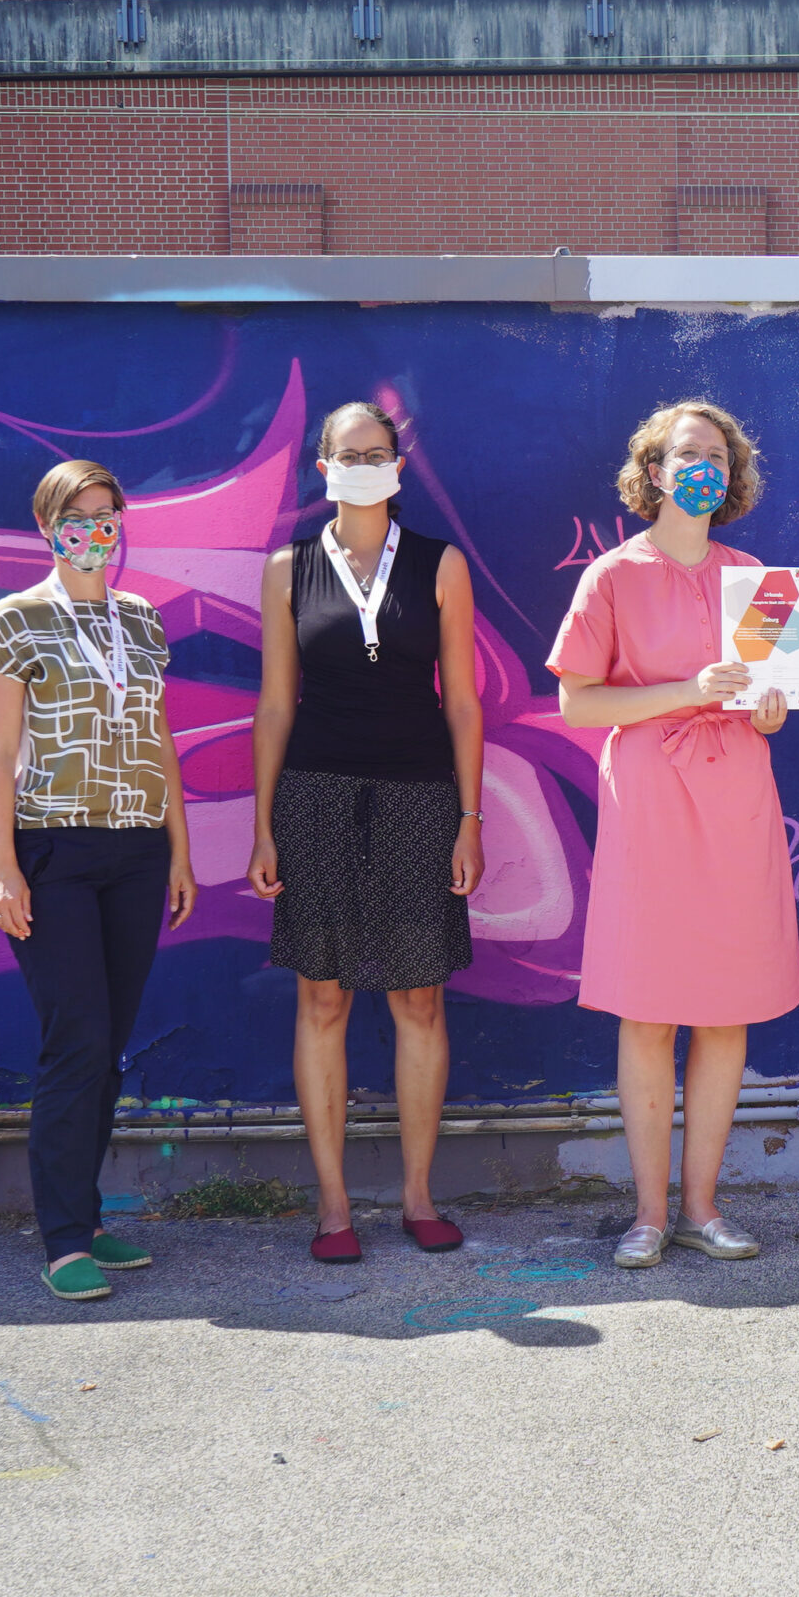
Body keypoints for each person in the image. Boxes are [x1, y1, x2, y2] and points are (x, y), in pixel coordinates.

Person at [550, 399, 799, 1269]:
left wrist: (768, 709)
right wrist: (689, 689)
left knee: (727, 1006)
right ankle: (648, 1215)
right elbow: (578, 702)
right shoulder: (612, 578)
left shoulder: (761, 581)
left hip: (737, 798)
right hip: (651, 802)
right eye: (687, 455)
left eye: (719, 458)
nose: (705, 469)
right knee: (649, 1008)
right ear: (652, 472)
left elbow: (772, 707)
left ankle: (703, 1207)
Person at [248, 402, 485, 1263]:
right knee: (323, 997)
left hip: (421, 798)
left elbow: (462, 701)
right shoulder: (287, 570)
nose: (361, 464)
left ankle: (419, 1196)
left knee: (419, 998)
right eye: (346, 454)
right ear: (322, 466)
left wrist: (470, 817)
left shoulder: (439, 565)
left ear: (398, 465)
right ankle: (335, 1206)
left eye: (375, 453)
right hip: (313, 797)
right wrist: (263, 825)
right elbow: (276, 705)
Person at [0, 459, 197, 1303]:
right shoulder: (16, 621)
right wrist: (1, 868)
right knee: (75, 1042)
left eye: (107, 513)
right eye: (77, 515)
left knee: (106, 1047)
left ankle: (86, 1212)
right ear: (46, 525)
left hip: (136, 852)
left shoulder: (141, 621)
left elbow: (160, 741)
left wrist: (177, 850)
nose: (94, 529)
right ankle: (62, 1238)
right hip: (53, 854)